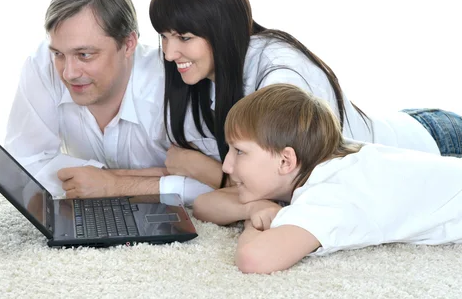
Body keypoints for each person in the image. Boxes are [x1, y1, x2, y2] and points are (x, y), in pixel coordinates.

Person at [149, 0, 462, 193]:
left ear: (222, 29)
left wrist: (209, 173)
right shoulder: (203, 77)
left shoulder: (280, 76)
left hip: (436, 144)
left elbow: (287, 187)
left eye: (185, 38)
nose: (169, 53)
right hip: (403, 129)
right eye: (164, 37)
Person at [196, 83, 462, 274]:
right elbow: (203, 205)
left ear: (286, 161)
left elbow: (254, 259)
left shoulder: (331, 195)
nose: (227, 165)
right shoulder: (320, 164)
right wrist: (256, 207)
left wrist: (254, 224)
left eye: (240, 152)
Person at [4, 0, 212, 205]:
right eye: (59, 54)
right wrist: (104, 178)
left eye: (85, 55)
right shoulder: (42, 65)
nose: (68, 73)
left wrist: (113, 185)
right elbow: (23, 163)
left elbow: (221, 183)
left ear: (129, 44)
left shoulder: (174, 82)